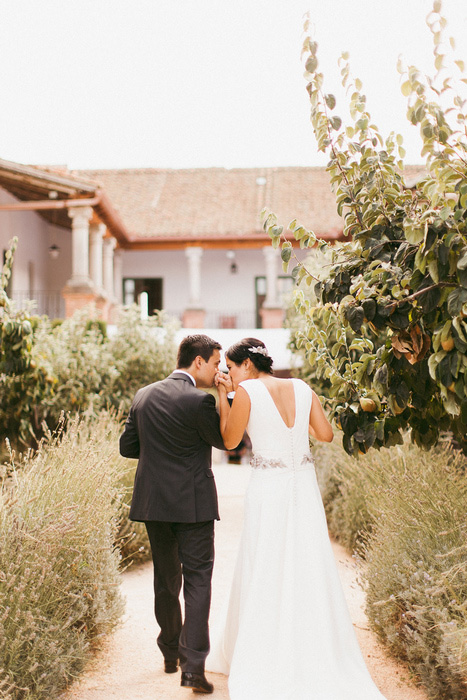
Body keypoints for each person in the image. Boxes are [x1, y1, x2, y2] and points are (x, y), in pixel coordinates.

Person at [208, 337, 387, 700]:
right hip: (303, 486)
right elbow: (325, 434)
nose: (229, 374)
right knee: (308, 561)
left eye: (230, 367)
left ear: (246, 365)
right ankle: (315, 647)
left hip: (268, 488)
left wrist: (222, 400)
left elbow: (228, 442)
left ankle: (265, 650)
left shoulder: (246, 392)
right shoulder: (302, 388)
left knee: (265, 562)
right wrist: (292, 430)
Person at [119, 334, 226, 695]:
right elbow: (225, 441)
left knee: (166, 578)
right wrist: (224, 398)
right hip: (193, 504)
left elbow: (127, 447)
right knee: (198, 581)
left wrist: (160, 459)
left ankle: (169, 652)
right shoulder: (200, 401)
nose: (217, 370)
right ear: (198, 362)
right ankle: (193, 668)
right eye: (214, 362)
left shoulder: (143, 395)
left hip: (154, 503)